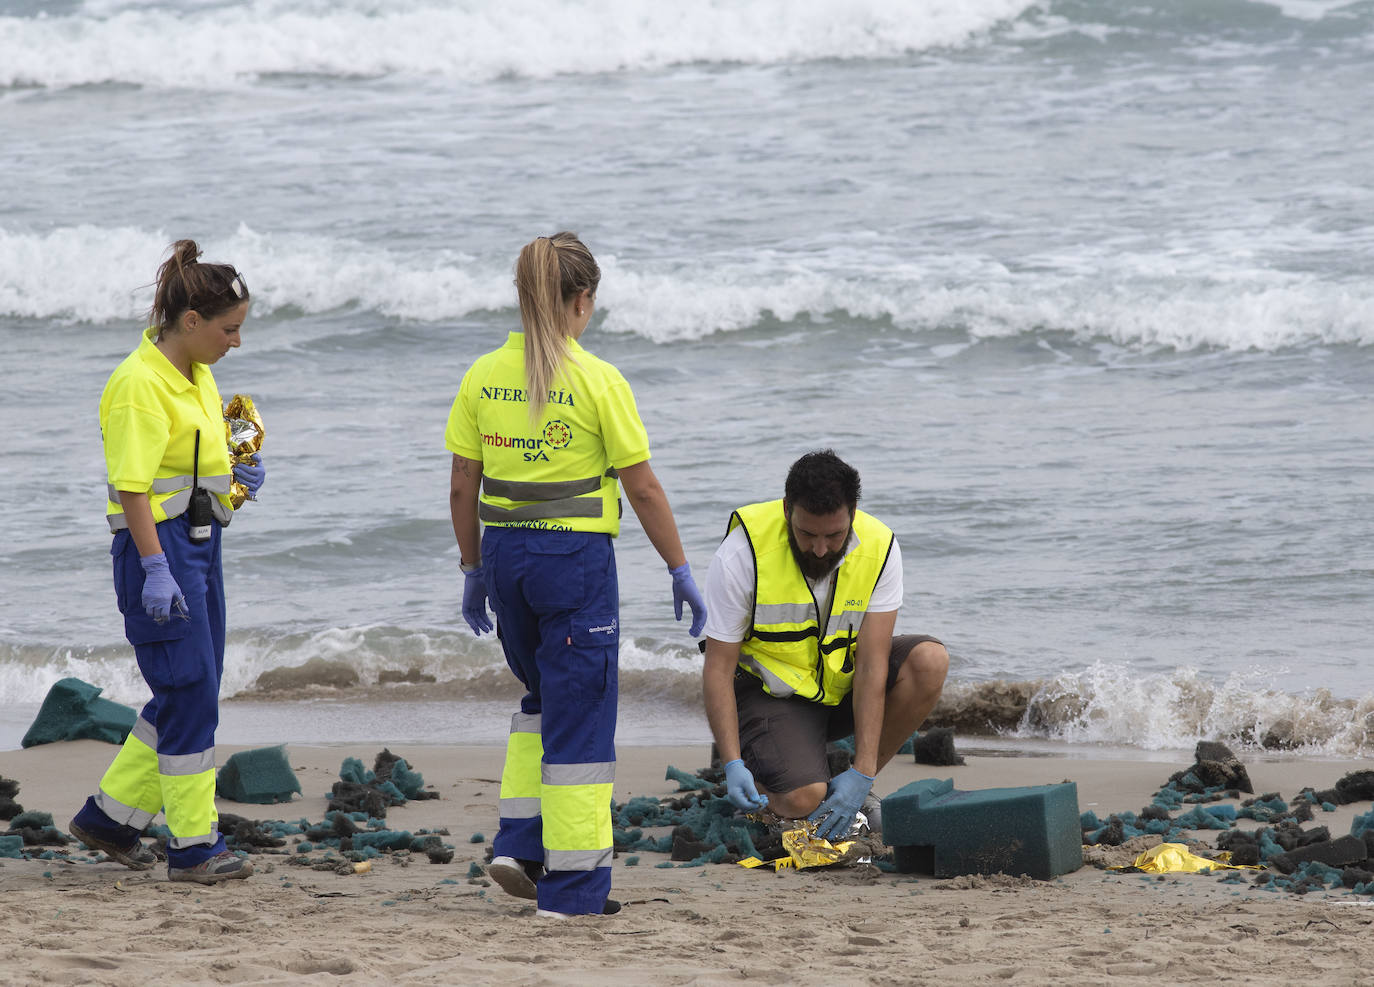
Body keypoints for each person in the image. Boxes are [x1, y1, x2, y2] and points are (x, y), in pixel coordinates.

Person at [445, 231, 706, 918]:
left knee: (540, 699)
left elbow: (461, 485)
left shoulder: (481, 375)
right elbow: (643, 488)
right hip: (574, 564)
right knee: (582, 722)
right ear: (581, 300)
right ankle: (574, 890)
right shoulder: (597, 379)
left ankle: (520, 844)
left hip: (505, 560)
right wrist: (680, 568)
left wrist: (472, 568)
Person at [69, 240, 266, 884]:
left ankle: (109, 819)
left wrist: (237, 475)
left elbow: (187, 469)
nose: (235, 342)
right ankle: (192, 847)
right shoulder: (137, 385)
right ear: (190, 322)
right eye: (228, 329)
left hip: (201, 545)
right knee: (188, 690)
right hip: (157, 547)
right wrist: (155, 568)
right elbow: (133, 491)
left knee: (194, 686)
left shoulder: (197, 375)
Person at [701, 449, 949, 841]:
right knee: (803, 800)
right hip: (769, 694)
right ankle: (771, 780)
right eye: (807, 534)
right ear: (787, 511)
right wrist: (731, 761)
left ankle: (854, 789)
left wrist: (864, 772)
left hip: (838, 690)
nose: (820, 549)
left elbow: (871, 664)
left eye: (834, 536)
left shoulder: (880, 547)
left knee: (930, 661)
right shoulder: (741, 553)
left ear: (852, 514)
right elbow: (717, 668)